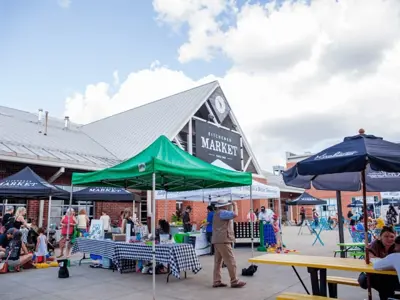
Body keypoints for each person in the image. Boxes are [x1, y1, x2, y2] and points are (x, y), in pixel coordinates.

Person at [211, 199, 246, 288]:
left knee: (217, 262)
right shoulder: (223, 213)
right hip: (223, 240)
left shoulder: (216, 213)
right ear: (224, 206)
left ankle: (216, 281)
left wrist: (231, 205)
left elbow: (229, 213)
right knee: (231, 261)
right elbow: (235, 214)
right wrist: (235, 205)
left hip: (217, 240)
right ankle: (234, 281)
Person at [363, 226, 398, 299]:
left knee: (386, 283)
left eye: (392, 236)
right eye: (386, 236)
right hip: (375, 273)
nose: (389, 239)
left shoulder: (397, 246)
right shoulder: (376, 244)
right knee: (383, 283)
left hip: (391, 275)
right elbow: (369, 256)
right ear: (380, 237)